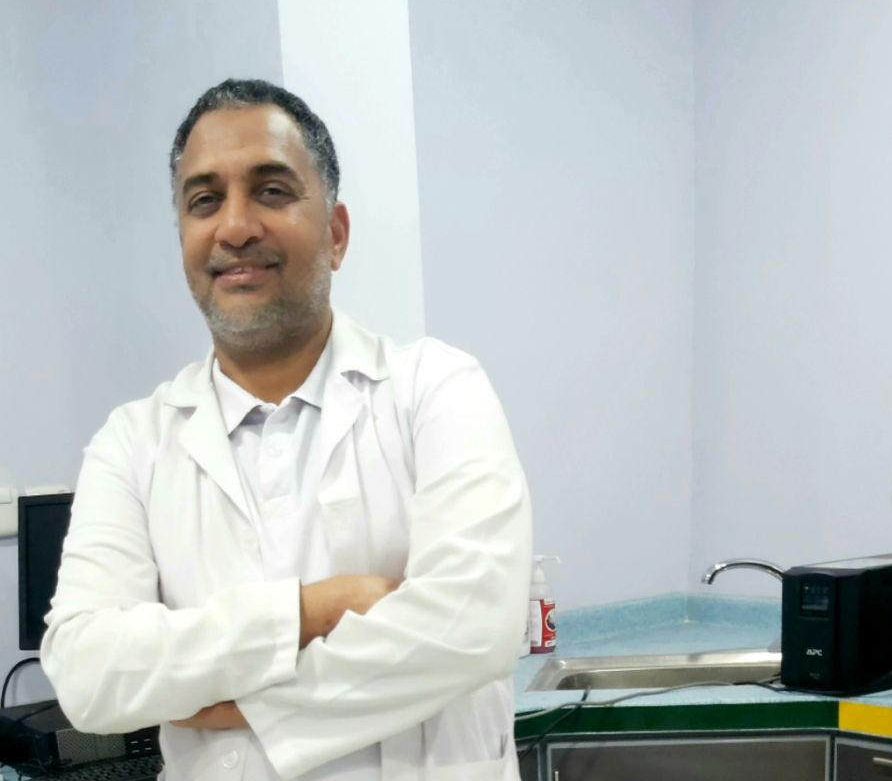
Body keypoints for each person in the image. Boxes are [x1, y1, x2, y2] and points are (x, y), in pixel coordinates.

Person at [40, 79, 533, 781]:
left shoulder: (436, 390)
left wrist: (232, 703)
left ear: (336, 235)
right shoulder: (132, 444)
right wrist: (311, 611)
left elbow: (474, 626)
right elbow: (88, 674)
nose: (235, 227)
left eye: (271, 191)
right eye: (204, 201)